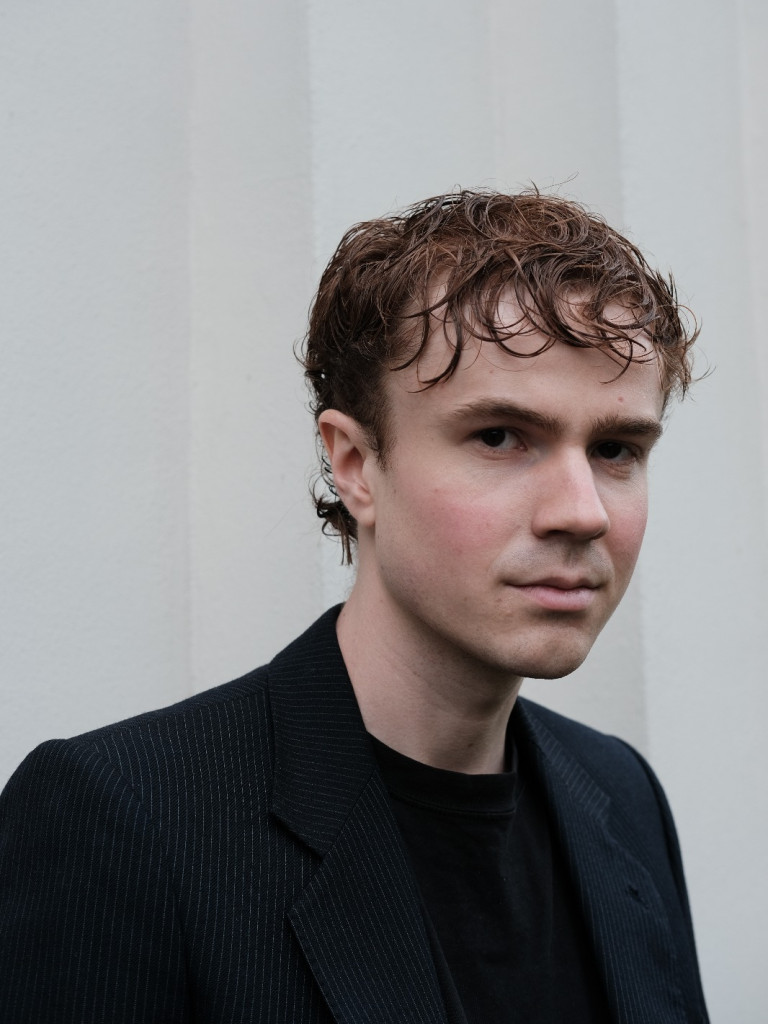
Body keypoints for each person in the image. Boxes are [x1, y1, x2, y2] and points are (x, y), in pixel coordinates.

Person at [0, 190, 709, 1023]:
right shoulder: (123, 820)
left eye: (617, 448)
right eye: (500, 437)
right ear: (356, 465)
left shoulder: (620, 794)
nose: (583, 511)